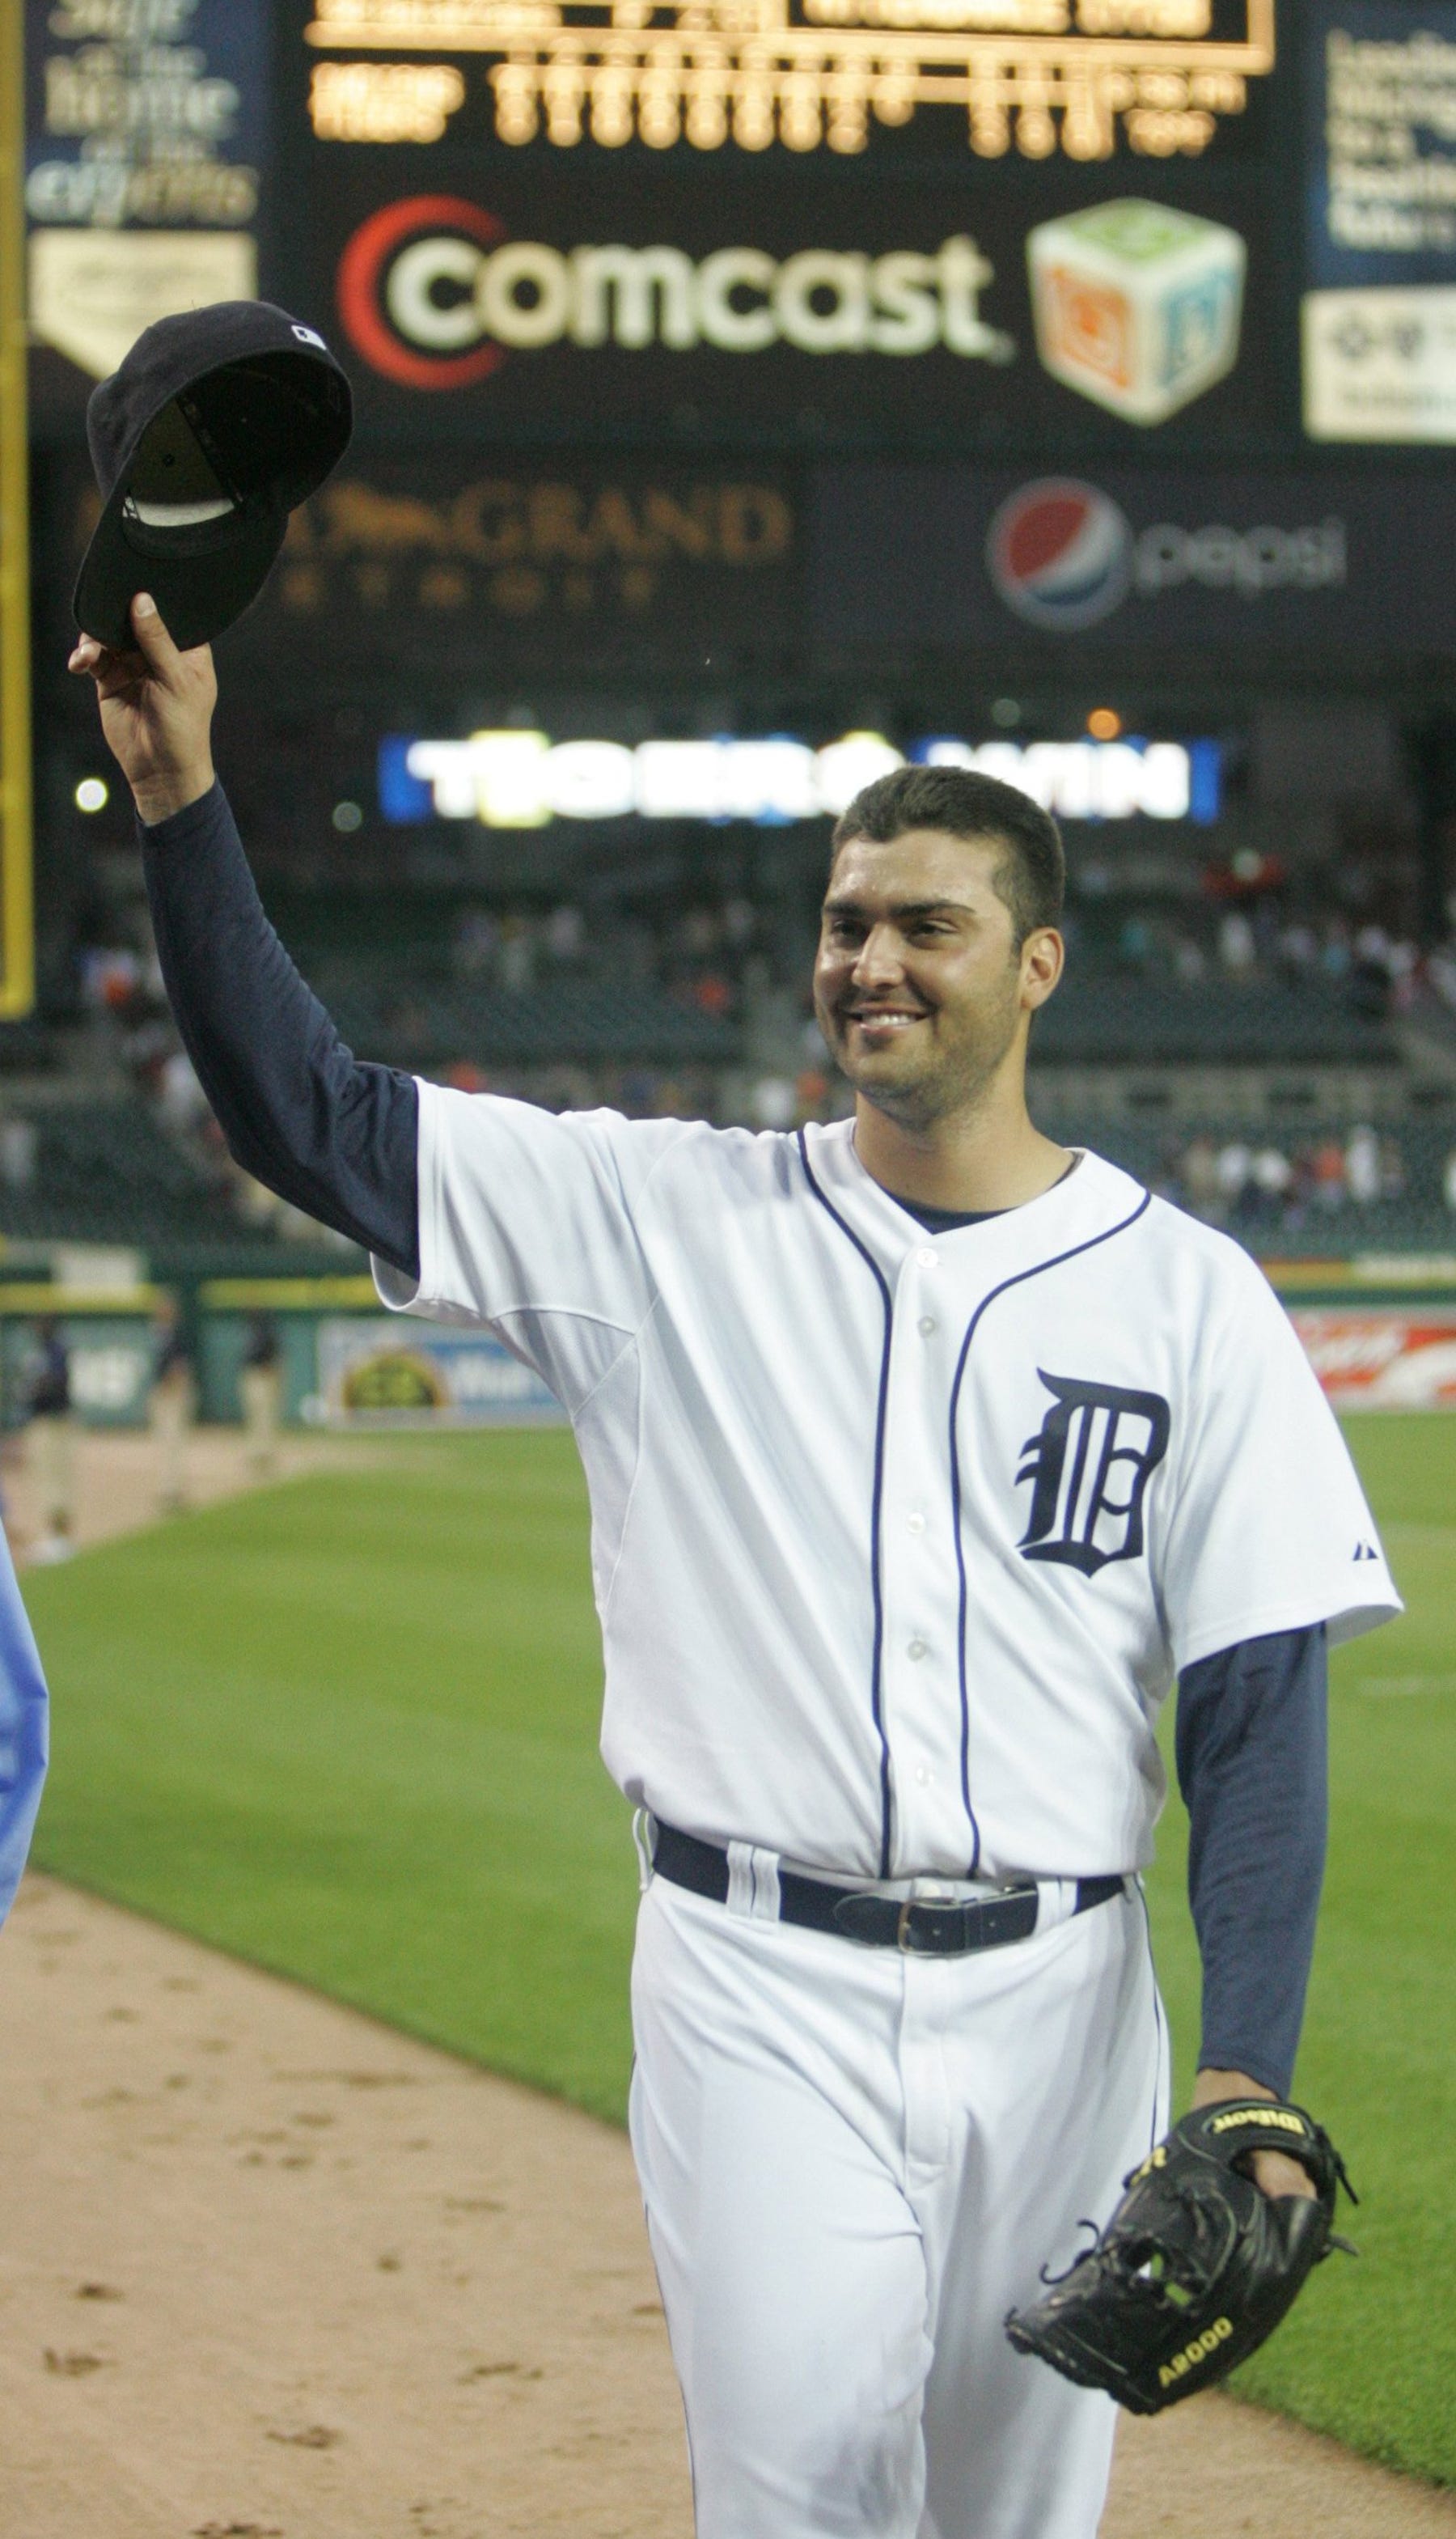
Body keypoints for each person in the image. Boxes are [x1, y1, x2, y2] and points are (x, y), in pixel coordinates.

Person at [71, 596, 1403, 2539]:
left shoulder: (1191, 1297)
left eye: (925, 924)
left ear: (1035, 964)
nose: (871, 960)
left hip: (1063, 2008)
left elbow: (1256, 1711)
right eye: (848, 921)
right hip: (755, 1983)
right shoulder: (665, 1224)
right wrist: (181, 789)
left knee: (1013, 2522)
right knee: (799, 2501)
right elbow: (310, 1111)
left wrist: (1244, 2075)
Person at [24, 1318, 76, 1563]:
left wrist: (36, 1392)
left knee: (52, 1480)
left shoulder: (54, 1352)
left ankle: (58, 1539)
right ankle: (58, 1538)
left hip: (51, 1422)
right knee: (56, 1480)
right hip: (53, 1421)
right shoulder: (48, 1352)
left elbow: (56, 1386)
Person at [149, 1294, 195, 1515]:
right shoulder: (158, 1333)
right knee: (164, 1441)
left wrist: (174, 1386)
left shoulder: (177, 1334)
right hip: (162, 1394)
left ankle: (173, 1489)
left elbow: (181, 1367)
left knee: (173, 1440)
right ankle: (167, 1486)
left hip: (174, 1395)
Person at [239, 1312, 282, 1476]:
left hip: (263, 1376)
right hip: (252, 1374)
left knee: (265, 1415)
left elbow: (275, 1355)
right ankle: (256, 1451)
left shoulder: (267, 1331)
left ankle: (266, 1452)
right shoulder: (249, 1329)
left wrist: (272, 1371)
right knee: (254, 1415)